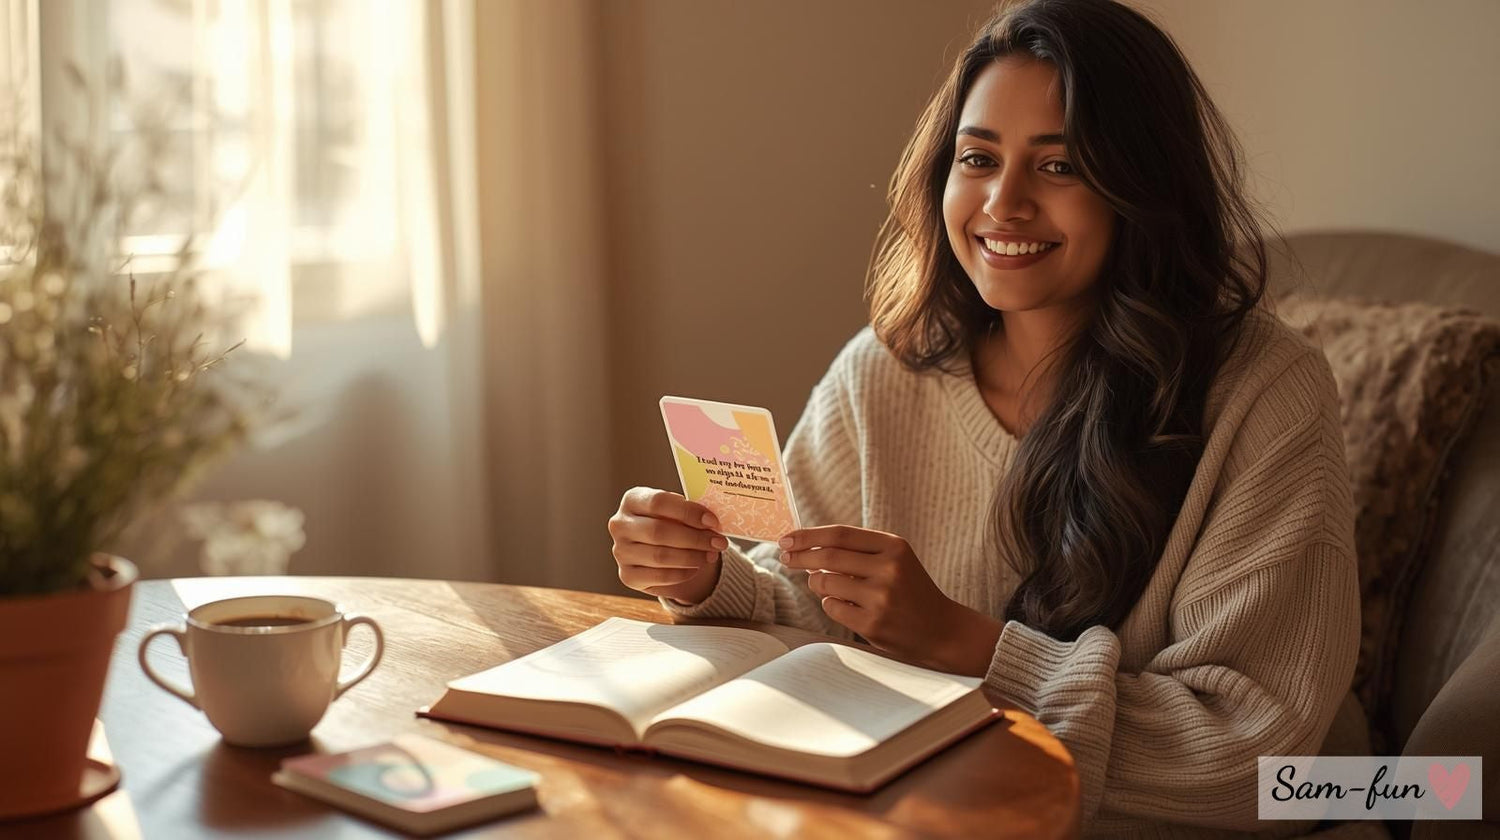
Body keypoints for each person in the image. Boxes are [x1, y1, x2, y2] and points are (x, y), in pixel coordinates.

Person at [607, 0, 1360, 834]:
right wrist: (709, 577)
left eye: (1060, 166)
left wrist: (965, 644)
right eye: (977, 157)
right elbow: (807, 605)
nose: (1004, 203)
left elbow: (1259, 759)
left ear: (1141, 187)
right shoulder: (885, 369)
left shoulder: (1264, 392)